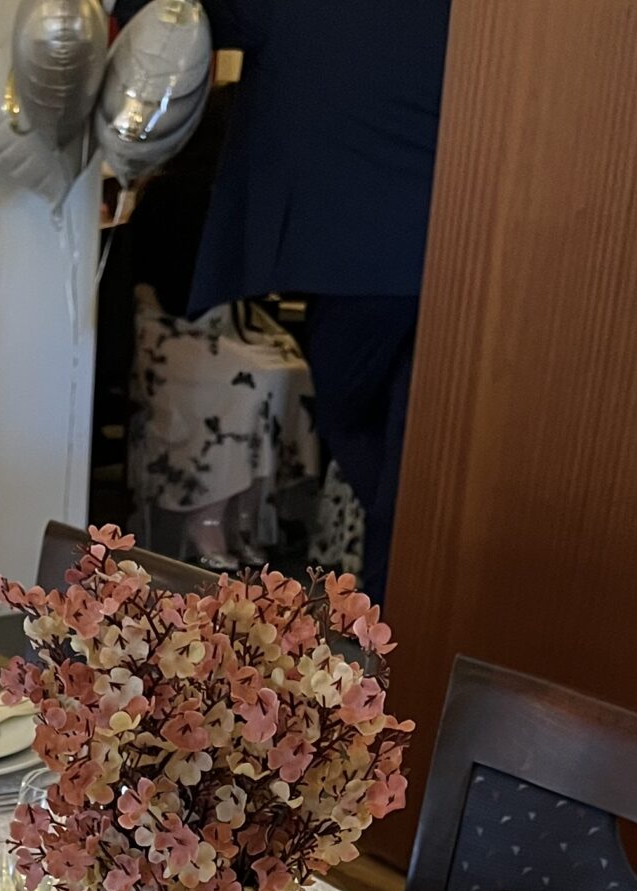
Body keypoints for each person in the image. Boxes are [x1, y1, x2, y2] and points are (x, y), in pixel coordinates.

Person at [188, 0, 453, 604]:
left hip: (358, 264)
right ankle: (397, 595)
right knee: (406, 448)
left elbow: (186, 15)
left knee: (366, 433)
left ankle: (397, 586)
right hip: (458, 259)